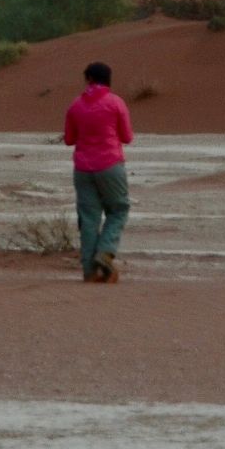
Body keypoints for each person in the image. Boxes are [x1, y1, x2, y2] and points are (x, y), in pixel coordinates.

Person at [62, 61, 132, 283]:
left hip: (82, 168)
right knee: (119, 209)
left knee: (88, 218)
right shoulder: (115, 102)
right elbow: (127, 136)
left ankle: (89, 271)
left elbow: (69, 139)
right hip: (110, 164)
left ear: (89, 79)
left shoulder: (75, 105)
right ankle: (106, 251)